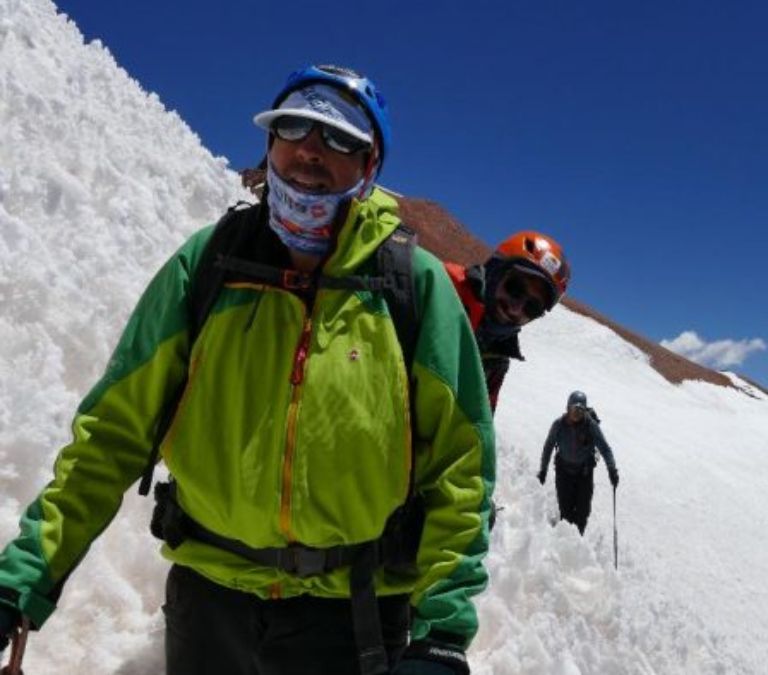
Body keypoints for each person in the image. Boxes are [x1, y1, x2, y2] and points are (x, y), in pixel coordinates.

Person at [0, 65, 494, 675]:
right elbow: (110, 437)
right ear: (269, 145)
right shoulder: (207, 263)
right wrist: (20, 581)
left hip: (355, 616)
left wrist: (442, 632)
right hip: (210, 604)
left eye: (340, 139)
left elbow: (461, 466)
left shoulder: (410, 286)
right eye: (294, 128)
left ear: (370, 170)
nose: (311, 149)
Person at [444, 231, 570, 411]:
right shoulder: (441, 289)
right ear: (494, 270)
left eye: (532, 308)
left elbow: (479, 424)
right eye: (514, 289)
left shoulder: (496, 361)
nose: (515, 309)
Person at [537, 391, 618, 534]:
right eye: (574, 409)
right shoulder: (558, 425)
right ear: (568, 408)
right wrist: (543, 470)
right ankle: (565, 545)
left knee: (582, 514)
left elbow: (605, 448)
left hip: (584, 474)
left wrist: (612, 470)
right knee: (566, 513)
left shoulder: (590, 426)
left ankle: (577, 545)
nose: (577, 414)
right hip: (564, 473)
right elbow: (548, 447)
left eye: (580, 410)